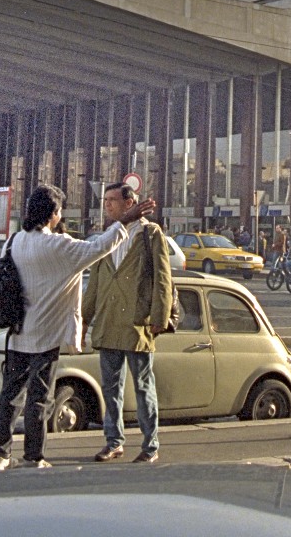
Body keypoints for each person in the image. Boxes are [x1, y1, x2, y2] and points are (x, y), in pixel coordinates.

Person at [0, 183, 154, 471]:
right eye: (59, 211)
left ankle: (0, 455)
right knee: (39, 399)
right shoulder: (59, 245)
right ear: (53, 214)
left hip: (17, 331)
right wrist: (125, 220)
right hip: (46, 335)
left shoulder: (14, 241)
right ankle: (34, 457)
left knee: (10, 396)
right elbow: (100, 247)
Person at [82, 182, 173, 465]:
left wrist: (160, 316)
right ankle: (114, 441)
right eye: (105, 200)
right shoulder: (107, 236)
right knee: (110, 387)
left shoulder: (150, 233)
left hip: (137, 322)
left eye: (112, 200)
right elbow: (95, 280)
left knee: (143, 385)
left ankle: (150, 444)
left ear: (129, 203)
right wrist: (84, 318)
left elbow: (163, 277)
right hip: (109, 321)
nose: (107, 205)